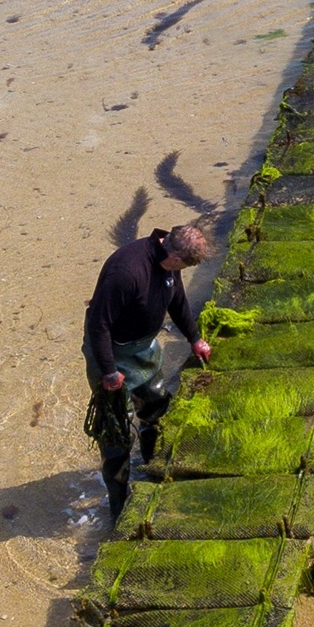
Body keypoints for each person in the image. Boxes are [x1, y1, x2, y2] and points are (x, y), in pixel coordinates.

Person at [82, 222, 211, 520]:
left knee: (156, 405)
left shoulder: (169, 260)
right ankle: (119, 503)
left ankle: (153, 464)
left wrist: (195, 339)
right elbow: (99, 325)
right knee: (116, 433)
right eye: (185, 265)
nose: (182, 271)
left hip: (144, 347)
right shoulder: (126, 273)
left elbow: (177, 300)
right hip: (112, 352)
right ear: (175, 256)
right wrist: (109, 373)